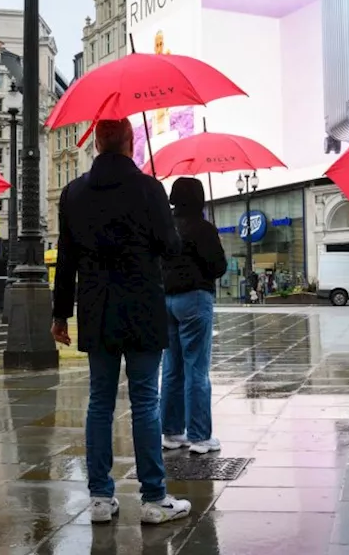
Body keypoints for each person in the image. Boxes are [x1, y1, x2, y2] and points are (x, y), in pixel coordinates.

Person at [50, 118, 192, 526]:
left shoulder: (74, 193)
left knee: (99, 402)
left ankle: (99, 497)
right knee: (145, 401)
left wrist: (61, 315)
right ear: (131, 143)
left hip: (97, 311)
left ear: (96, 144)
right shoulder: (148, 188)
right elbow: (170, 246)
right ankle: (152, 498)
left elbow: (67, 261)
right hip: (143, 308)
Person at [160, 177, 228, 455]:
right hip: (195, 300)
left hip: (166, 301)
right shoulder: (203, 229)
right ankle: (200, 436)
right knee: (197, 369)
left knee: (172, 368)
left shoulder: (166, 228)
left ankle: (172, 431)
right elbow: (218, 267)